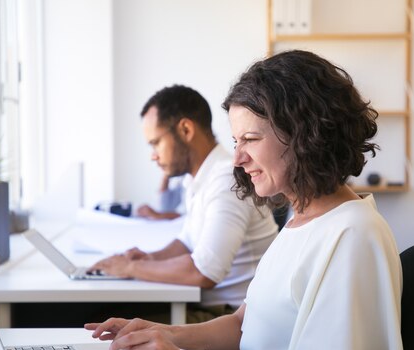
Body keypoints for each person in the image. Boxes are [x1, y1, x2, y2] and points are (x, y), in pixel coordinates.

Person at [85, 50, 405, 350]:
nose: (237, 158)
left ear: (303, 134)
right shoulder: (302, 219)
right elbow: (241, 324)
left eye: (250, 139)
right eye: (236, 142)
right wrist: (160, 333)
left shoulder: (353, 234)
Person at [89, 85, 279, 322]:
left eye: (156, 142)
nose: (153, 155)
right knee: (107, 317)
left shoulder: (227, 179)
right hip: (214, 309)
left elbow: (204, 272)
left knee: (106, 321)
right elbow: (187, 242)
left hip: (232, 319)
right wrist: (147, 258)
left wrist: (130, 269)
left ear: (186, 129)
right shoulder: (201, 178)